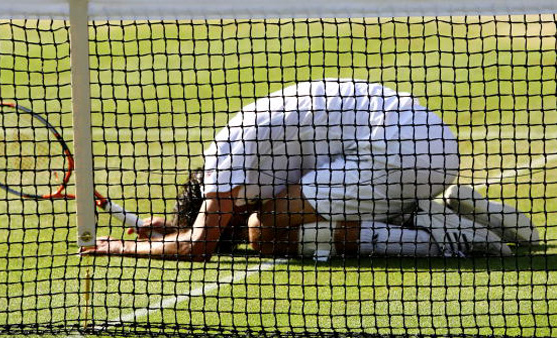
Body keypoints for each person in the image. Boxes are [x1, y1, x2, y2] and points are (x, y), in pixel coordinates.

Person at [81, 79, 537, 260]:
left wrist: (114, 247)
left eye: (226, 223)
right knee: (294, 211)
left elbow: (201, 245)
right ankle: (451, 210)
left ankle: (443, 236)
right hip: (437, 146)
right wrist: (175, 227)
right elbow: (204, 229)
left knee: (268, 228)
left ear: (215, 201)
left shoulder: (225, 163)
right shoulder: (246, 149)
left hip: (393, 155)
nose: (230, 231)